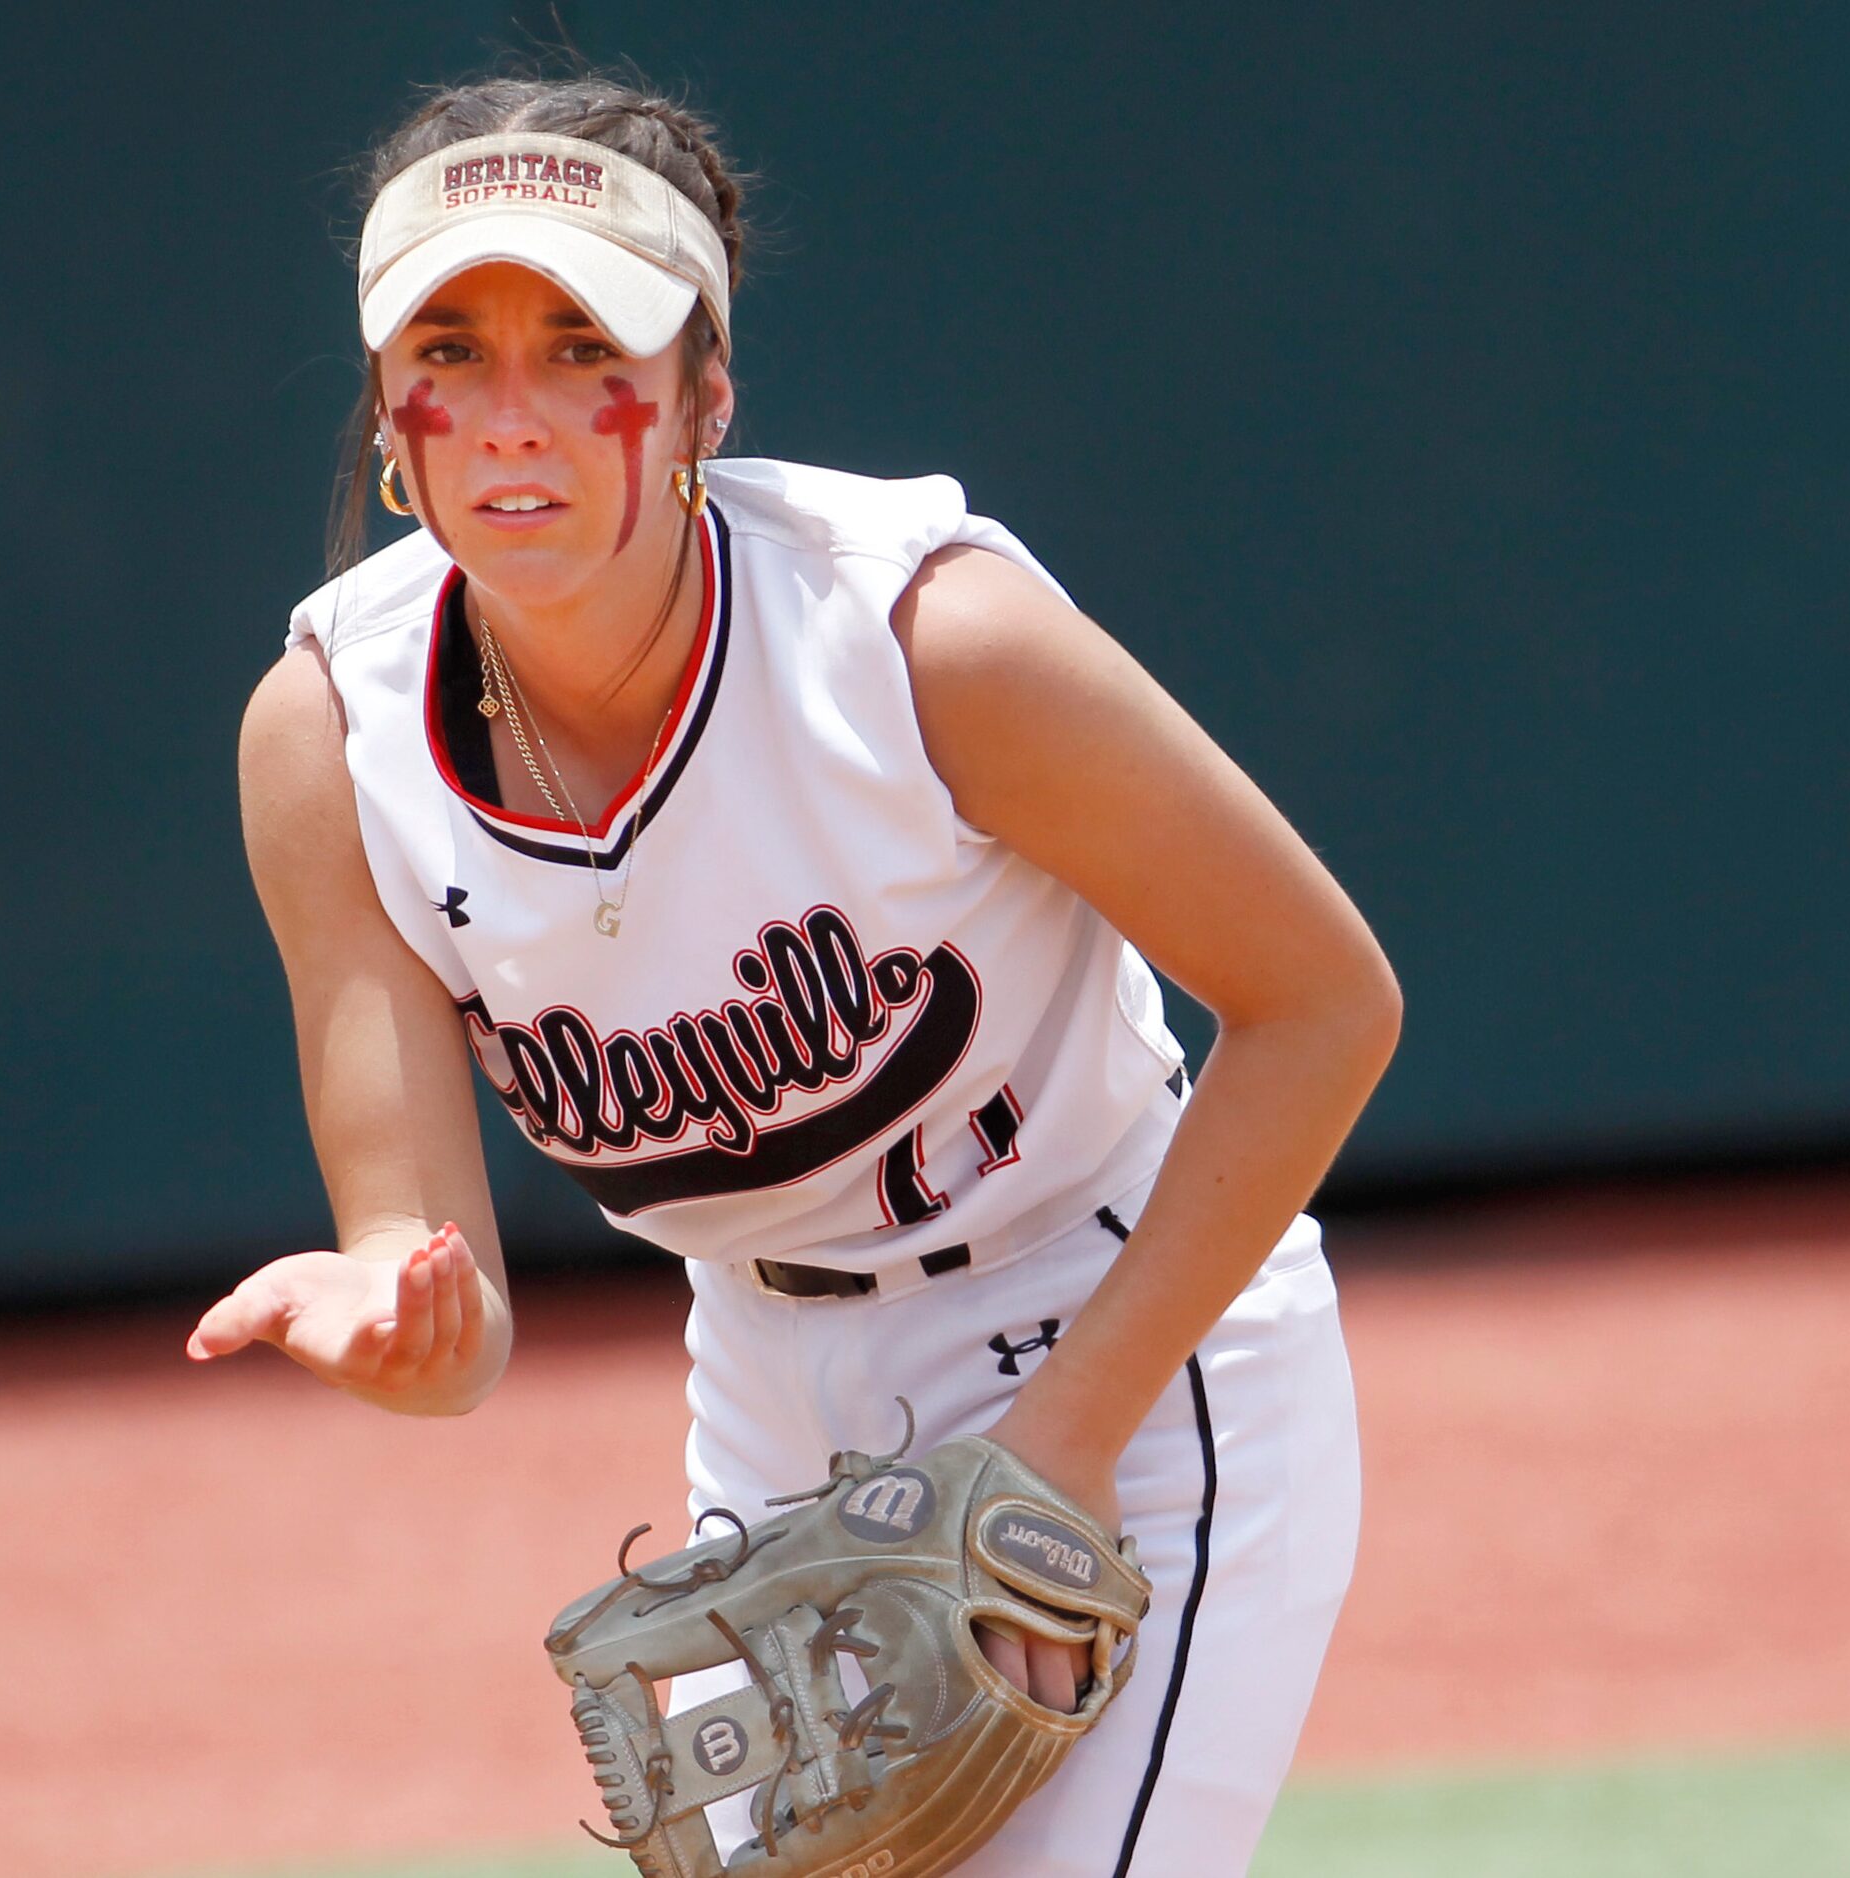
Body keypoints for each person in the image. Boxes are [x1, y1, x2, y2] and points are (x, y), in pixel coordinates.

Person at [189, 72, 1401, 1878]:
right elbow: (443, 1300)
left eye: (580, 342)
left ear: (703, 394)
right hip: (773, 1386)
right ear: (390, 411)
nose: (512, 412)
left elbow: (1324, 1002)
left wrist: (1060, 1455)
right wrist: (395, 1319)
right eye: (453, 345)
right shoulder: (328, 735)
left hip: (1131, 1336)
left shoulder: (921, 640)